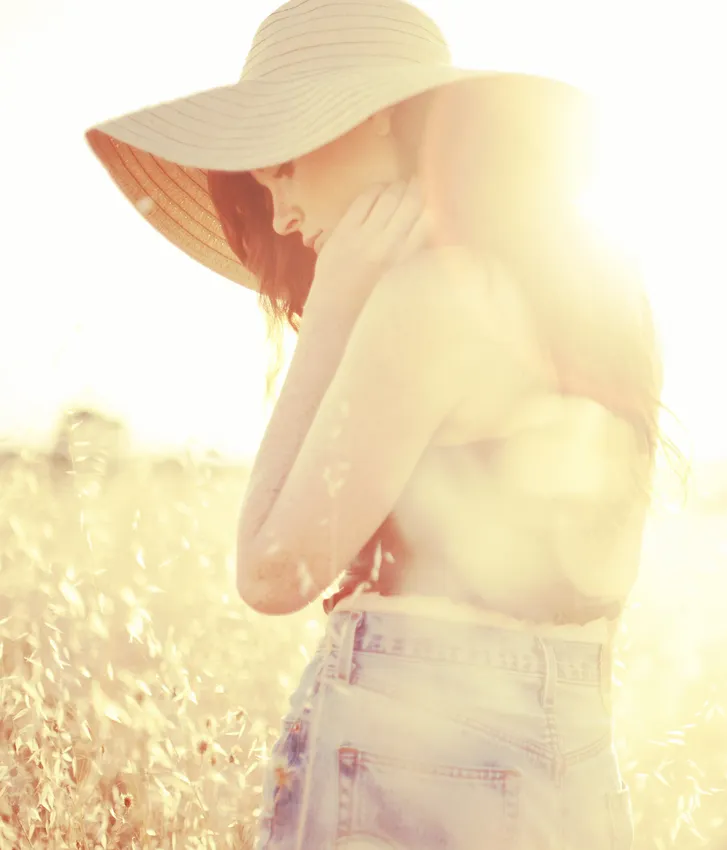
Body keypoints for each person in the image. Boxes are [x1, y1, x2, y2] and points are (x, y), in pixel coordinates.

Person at [84, 0, 677, 846]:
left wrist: (334, 306)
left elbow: (269, 572)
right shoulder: (601, 297)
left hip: (415, 754)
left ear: (386, 119)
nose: (279, 210)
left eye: (284, 159)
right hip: (574, 752)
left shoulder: (425, 299)